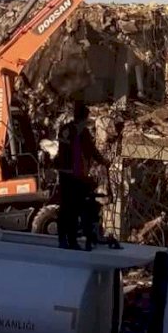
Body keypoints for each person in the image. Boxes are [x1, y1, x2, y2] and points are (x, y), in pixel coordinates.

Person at [56, 99, 104, 250]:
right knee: (68, 209)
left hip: (74, 175)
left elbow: (90, 150)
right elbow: (85, 150)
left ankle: (70, 240)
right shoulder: (71, 131)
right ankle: (66, 239)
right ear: (82, 118)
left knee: (72, 209)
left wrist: (101, 161)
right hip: (70, 175)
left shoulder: (78, 132)